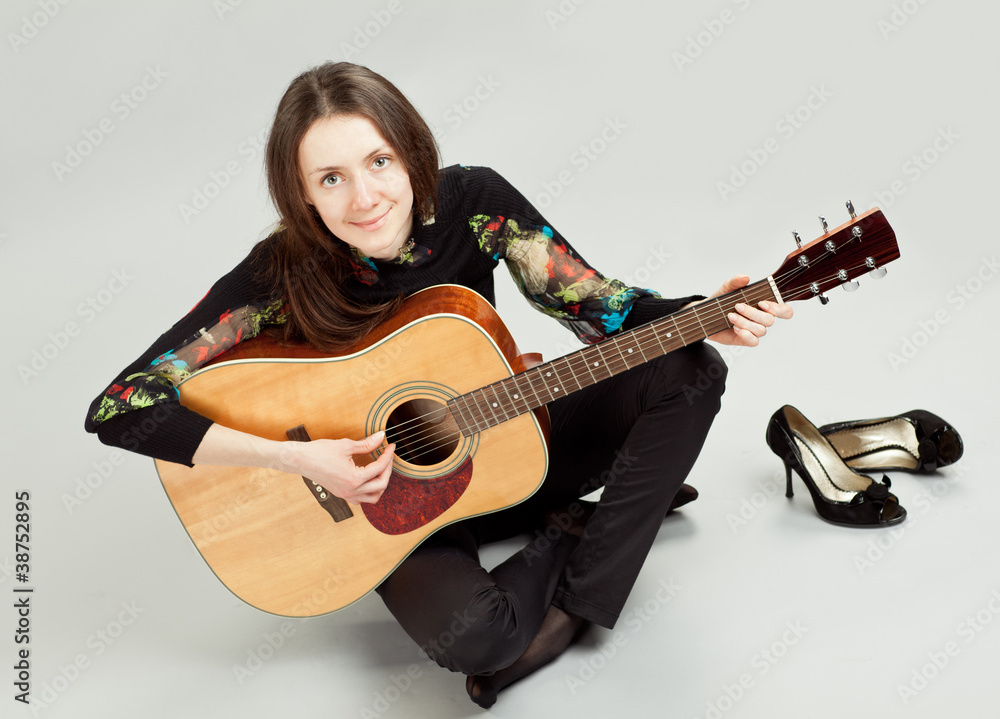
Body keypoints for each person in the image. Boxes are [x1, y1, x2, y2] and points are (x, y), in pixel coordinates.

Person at [84, 62, 792, 707]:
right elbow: (120, 407)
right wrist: (300, 458)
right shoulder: (277, 275)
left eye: (378, 162)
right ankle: (579, 529)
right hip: (385, 508)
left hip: (501, 450)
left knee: (691, 369)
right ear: (300, 192)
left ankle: (578, 602)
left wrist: (707, 315)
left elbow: (597, 305)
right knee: (477, 639)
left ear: (409, 151)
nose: (365, 198)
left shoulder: (473, 204)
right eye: (330, 178)